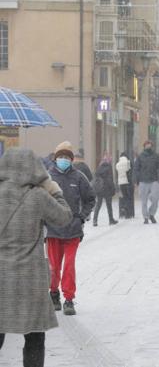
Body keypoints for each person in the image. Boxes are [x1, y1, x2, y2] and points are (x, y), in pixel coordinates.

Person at [0, 148, 73, 367]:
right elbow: (64, 217)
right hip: (28, 278)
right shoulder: (38, 196)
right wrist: (54, 190)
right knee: (34, 336)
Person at [46, 141, 96, 315]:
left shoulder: (79, 177)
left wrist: (82, 217)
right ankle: (53, 293)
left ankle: (69, 299)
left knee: (69, 265)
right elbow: (40, 200)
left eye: (67, 157)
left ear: (71, 159)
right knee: (53, 266)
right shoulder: (47, 177)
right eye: (61, 156)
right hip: (53, 230)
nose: (63, 159)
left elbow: (90, 198)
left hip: (73, 229)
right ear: (55, 158)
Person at [135, 140, 159, 224]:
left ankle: (151, 214)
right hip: (143, 181)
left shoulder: (156, 156)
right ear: (144, 146)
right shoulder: (140, 156)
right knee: (143, 201)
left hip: (154, 180)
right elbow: (136, 169)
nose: (148, 146)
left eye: (149, 144)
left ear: (152, 146)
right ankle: (146, 217)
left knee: (155, 198)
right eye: (146, 145)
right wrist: (136, 179)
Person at [92, 155, 118, 227]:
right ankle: (111, 220)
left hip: (99, 189)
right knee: (109, 206)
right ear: (109, 161)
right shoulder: (109, 167)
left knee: (98, 205)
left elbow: (96, 178)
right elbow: (110, 180)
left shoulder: (99, 167)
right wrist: (113, 189)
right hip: (107, 189)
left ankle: (95, 220)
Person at [116, 152, 134, 219]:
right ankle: (128, 213)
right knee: (129, 198)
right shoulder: (128, 162)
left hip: (121, 183)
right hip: (128, 182)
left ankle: (123, 211)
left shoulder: (117, 164)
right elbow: (131, 171)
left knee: (124, 197)